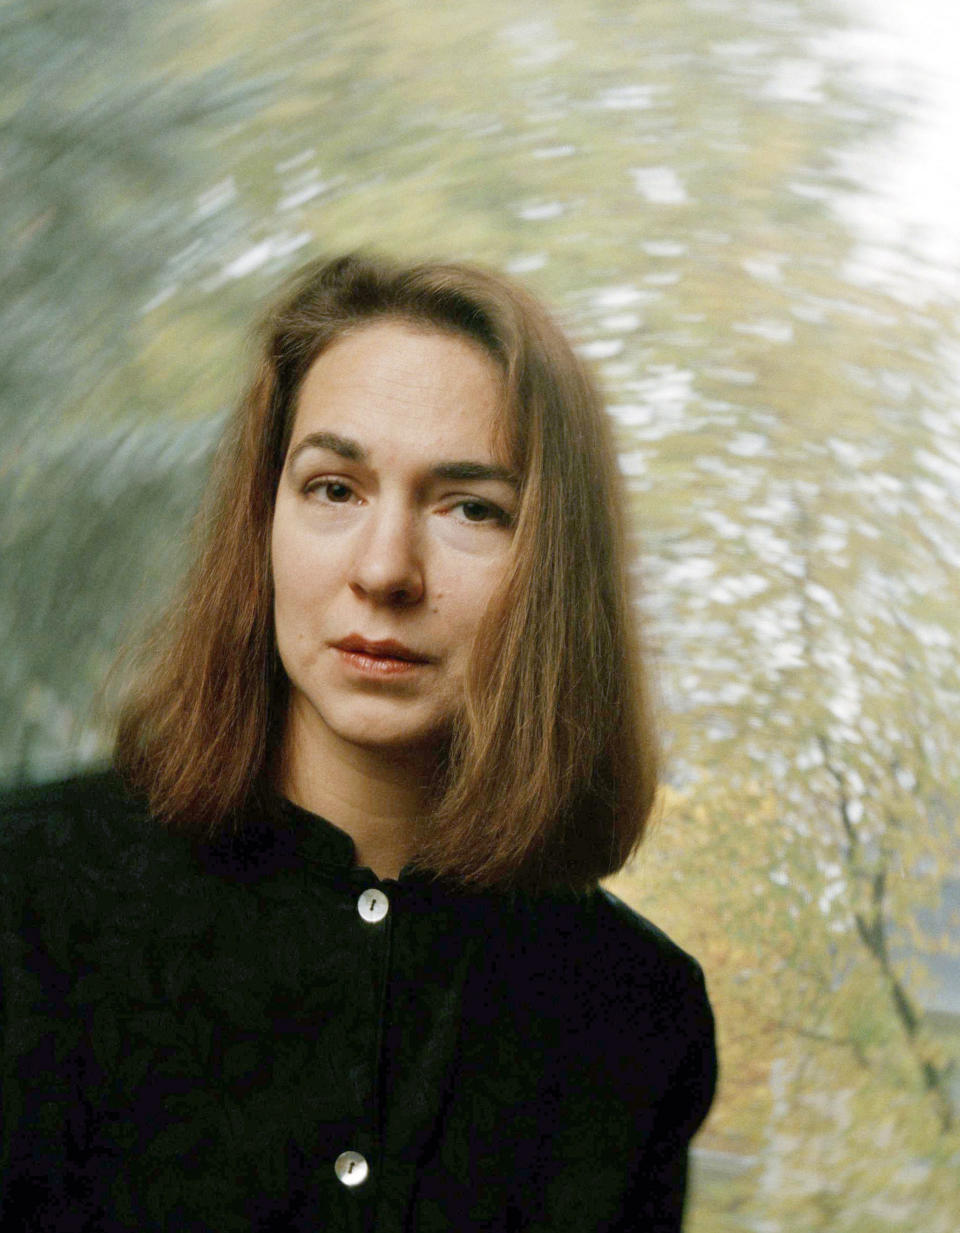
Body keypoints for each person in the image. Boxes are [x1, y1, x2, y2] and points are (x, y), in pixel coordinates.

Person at [0, 253, 717, 1231]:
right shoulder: (29, 894)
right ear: (263, 519)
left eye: (470, 508)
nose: (385, 571)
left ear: (551, 572)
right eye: (335, 488)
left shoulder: (638, 1013)